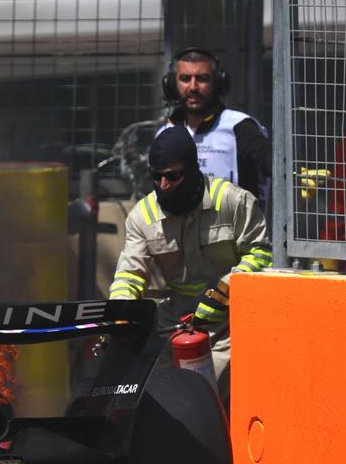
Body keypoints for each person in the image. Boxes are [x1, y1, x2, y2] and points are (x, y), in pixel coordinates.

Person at [108, 126, 272, 406]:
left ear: (192, 168)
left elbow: (262, 253)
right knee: (146, 390)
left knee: (204, 394)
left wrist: (226, 290)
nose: (163, 185)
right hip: (176, 321)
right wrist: (119, 314)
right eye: (156, 176)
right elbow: (130, 274)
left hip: (231, 321)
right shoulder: (141, 216)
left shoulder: (233, 201)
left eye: (172, 176)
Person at [158, 48, 272, 207]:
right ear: (171, 84)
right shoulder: (166, 132)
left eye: (202, 79)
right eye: (185, 78)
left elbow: (271, 161)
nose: (193, 87)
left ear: (218, 82)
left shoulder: (238, 126)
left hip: (236, 229)